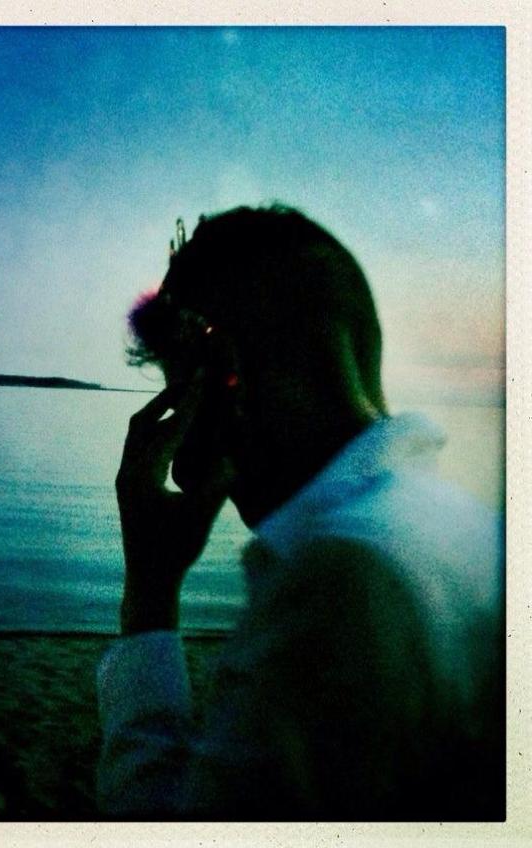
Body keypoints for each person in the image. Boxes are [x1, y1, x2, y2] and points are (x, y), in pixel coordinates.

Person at [97, 205, 504, 821]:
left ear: (229, 371)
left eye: (184, 392)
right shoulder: (467, 527)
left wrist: (150, 598)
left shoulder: (339, 579)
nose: (183, 462)